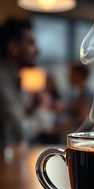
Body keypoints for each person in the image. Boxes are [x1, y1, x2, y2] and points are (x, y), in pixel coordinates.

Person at [0, 18, 55, 147]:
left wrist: (35, 106)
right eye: (31, 43)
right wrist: (42, 107)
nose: (37, 50)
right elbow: (20, 132)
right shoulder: (2, 79)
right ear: (13, 47)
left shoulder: (17, 77)